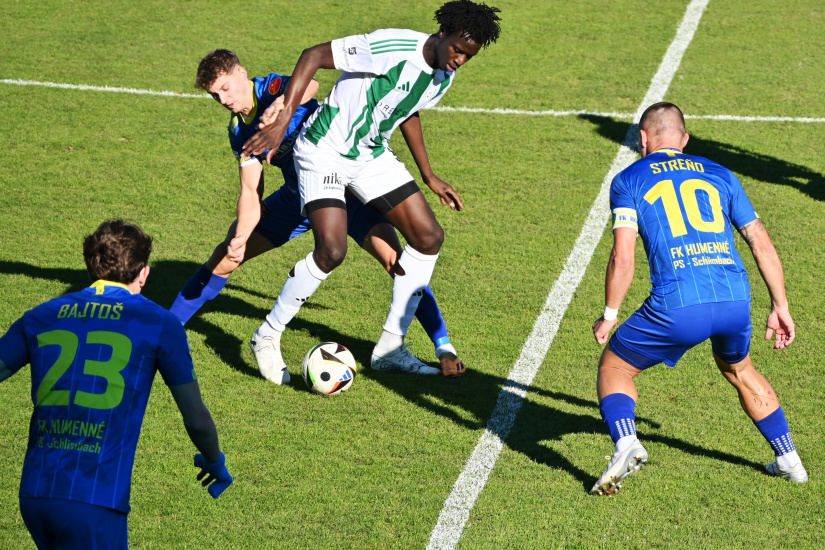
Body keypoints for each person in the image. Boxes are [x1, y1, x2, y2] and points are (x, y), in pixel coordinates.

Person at [170, 49, 465, 383]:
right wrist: (240, 236)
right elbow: (251, 193)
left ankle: (441, 345)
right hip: (297, 200)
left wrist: (282, 107)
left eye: (226, 87)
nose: (223, 99)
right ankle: (167, 329)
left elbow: (309, 83)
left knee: (398, 261)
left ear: (241, 73)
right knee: (226, 256)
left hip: (344, 192)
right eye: (215, 95)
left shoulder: (269, 89)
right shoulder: (240, 131)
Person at [242, 0, 501, 376]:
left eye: (468, 57)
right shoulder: (391, 46)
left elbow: (408, 108)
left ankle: (391, 346)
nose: (460, 60)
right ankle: (267, 334)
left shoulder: (444, 74)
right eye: (458, 50)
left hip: (369, 156)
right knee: (331, 250)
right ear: (442, 33)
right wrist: (283, 120)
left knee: (428, 237)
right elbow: (313, 55)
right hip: (324, 150)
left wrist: (429, 175)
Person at [589, 102, 807, 496]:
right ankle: (790, 461)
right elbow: (760, 242)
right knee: (739, 368)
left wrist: (609, 314)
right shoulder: (722, 174)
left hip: (677, 305)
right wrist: (781, 306)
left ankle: (626, 443)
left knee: (615, 368)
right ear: (684, 140)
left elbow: (624, 256)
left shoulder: (628, 180)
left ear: (643, 139)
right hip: (734, 300)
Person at [0, 220, 233, 549]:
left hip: (35, 493)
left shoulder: (41, 315)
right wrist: (214, 461)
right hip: (94, 497)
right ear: (144, 273)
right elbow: (195, 416)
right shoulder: (159, 324)